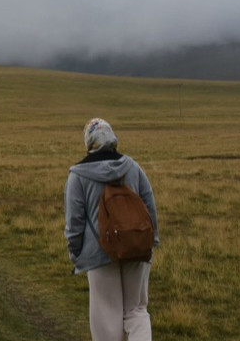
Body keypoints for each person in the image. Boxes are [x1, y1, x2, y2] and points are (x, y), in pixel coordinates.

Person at [64, 118, 159, 341]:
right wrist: (151, 240)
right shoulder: (133, 167)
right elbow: (149, 205)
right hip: (136, 247)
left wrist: (75, 253)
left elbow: (74, 220)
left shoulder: (78, 175)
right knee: (136, 311)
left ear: (89, 141)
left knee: (107, 315)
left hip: (99, 253)